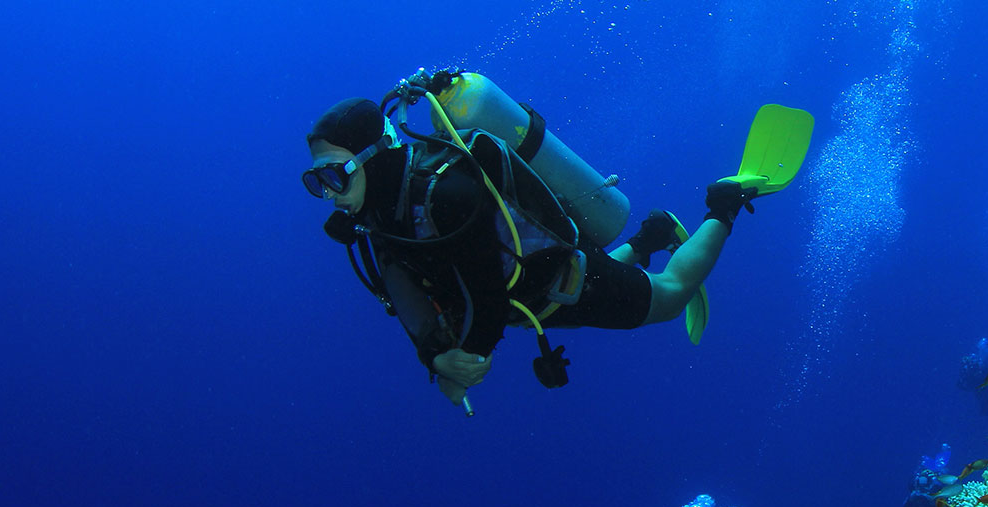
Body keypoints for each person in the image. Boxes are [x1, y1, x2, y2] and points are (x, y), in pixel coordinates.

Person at [303, 75, 760, 408]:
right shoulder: (378, 214)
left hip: (561, 279)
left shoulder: (445, 197)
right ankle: (652, 234)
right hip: (539, 294)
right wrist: (438, 357)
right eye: (316, 180)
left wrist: (461, 364)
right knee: (585, 295)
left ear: (373, 157)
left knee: (669, 298)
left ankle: (724, 203)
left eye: (332, 175)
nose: (327, 193)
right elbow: (404, 290)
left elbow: (485, 297)